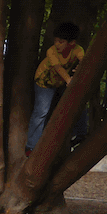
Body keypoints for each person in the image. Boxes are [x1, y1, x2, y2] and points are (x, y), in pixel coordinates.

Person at [25, 22, 87, 152]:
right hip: (44, 83)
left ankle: (80, 134)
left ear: (71, 43)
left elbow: (85, 63)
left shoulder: (78, 50)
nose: (57, 44)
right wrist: (69, 79)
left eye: (61, 41)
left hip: (60, 83)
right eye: (56, 41)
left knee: (77, 102)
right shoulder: (52, 51)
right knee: (41, 112)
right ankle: (31, 146)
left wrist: (80, 69)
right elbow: (58, 67)